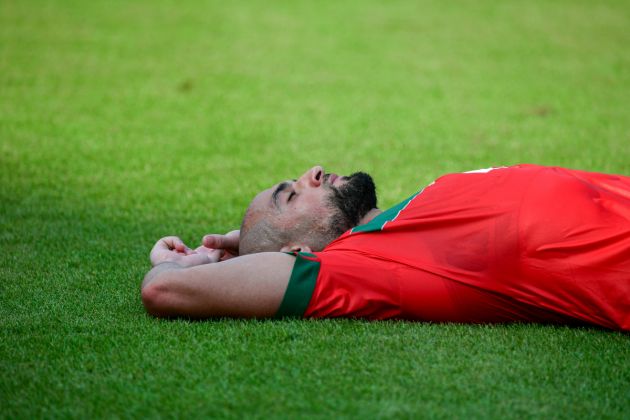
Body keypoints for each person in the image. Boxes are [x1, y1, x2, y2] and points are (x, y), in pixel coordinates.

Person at [141, 164, 630, 331]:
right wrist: (190, 262)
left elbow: (286, 244)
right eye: (291, 194)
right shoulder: (365, 265)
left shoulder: (412, 214)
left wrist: (240, 240)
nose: (312, 171)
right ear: (294, 255)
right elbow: (165, 292)